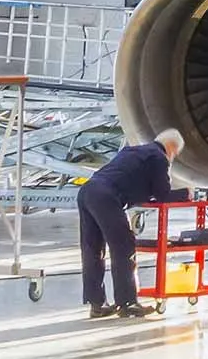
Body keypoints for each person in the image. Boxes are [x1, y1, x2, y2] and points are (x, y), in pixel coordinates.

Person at [78, 130, 188, 319]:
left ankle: (96, 304)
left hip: (87, 191)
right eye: (175, 154)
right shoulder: (159, 158)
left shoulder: (133, 151)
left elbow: (131, 180)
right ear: (171, 148)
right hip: (107, 196)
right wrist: (187, 193)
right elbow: (163, 194)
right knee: (123, 246)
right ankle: (127, 302)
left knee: (93, 249)